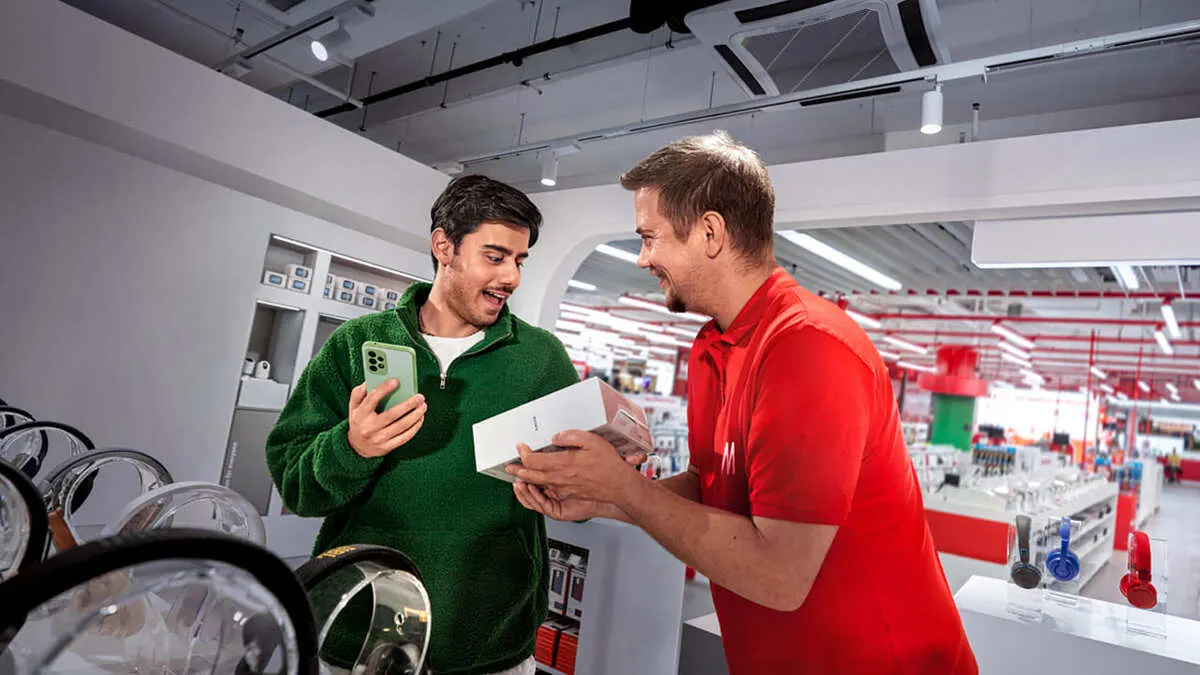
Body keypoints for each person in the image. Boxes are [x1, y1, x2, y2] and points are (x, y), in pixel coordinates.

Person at [508, 132, 978, 674]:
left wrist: (624, 488)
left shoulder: (809, 347)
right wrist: (604, 499)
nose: (641, 259)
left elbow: (780, 576)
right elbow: (716, 489)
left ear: (710, 232)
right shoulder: (715, 347)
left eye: (649, 237)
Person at [265, 175, 581, 675]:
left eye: (520, 261)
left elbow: (576, 495)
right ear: (444, 247)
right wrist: (351, 447)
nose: (512, 278)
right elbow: (297, 486)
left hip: (490, 643)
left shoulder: (541, 358)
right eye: (495, 256)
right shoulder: (356, 343)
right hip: (360, 628)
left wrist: (600, 469)